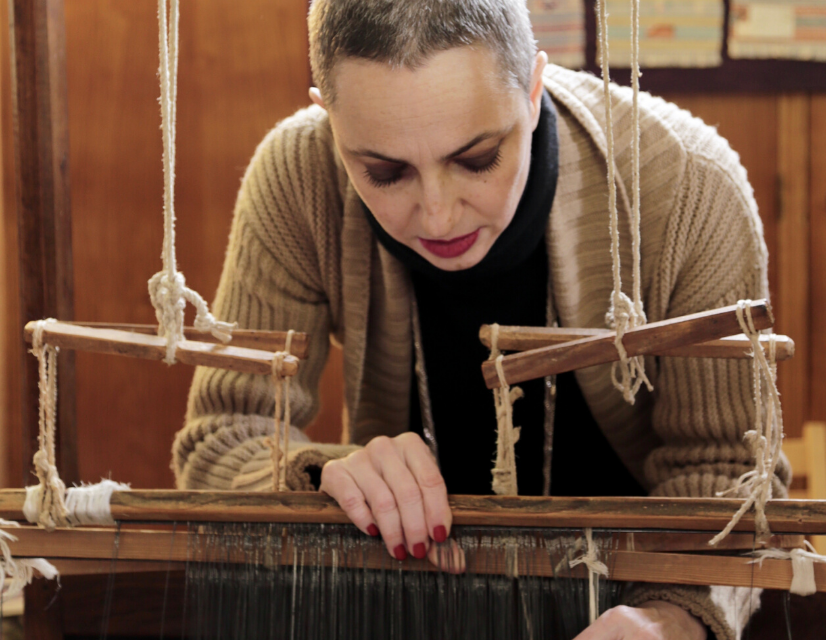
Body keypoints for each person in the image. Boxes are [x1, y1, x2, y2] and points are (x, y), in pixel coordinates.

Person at [172, 1, 790, 638]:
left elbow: (729, 471)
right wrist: (319, 474)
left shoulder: (688, 184)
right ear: (330, 120)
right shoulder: (298, 177)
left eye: (476, 159)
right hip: (401, 605)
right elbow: (221, 437)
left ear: (532, 87)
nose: (437, 216)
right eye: (384, 172)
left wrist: (672, 620)